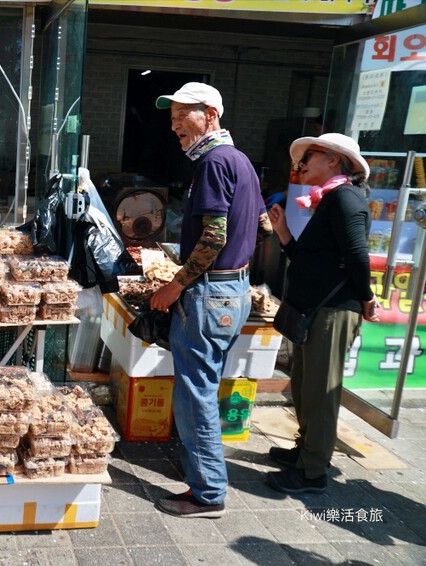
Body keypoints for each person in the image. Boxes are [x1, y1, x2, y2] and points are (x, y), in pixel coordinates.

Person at [150, 82, 271, 518]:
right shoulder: (240, 161)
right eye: (173, 117)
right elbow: (262, 227)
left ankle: (208, 493)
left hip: (209, 293)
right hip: (232, 289)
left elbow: (214, 235)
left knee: (195, 394)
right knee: (203, 386)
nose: (176, 124)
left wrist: (176, 284)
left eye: (186, 114)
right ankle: (205, 478)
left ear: (211, 116)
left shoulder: (213, 162)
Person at [266, 133, 379, 494]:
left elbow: (358, 256)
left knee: (320, 392)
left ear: (333, 160)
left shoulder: (345, 198)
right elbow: (311, 260)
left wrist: (366, 298)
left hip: (331, 312)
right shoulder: (331, 199)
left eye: (310, 156)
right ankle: (305, 451)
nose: (302, 164)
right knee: (303, 386)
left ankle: (313, 471)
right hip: (314, 310)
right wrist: (282, 231)